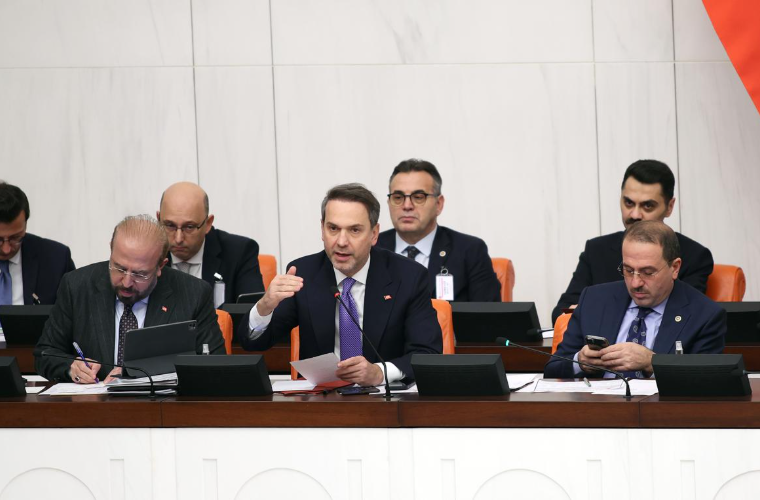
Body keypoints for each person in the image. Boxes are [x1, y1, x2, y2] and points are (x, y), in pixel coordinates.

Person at [238, 183, 442, 385]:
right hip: (322, 398)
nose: (341, 242)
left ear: (374, 234)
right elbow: (254, 343)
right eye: (333, 228)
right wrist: (264, 307)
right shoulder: (305, 273)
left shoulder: (408, 277)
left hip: (383, 398)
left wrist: (380, 372)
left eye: (354, 230)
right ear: (322, 229)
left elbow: (427, 353)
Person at [34, 215, 225, 383]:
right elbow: (45, 354)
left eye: (140, 274)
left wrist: (139, 375)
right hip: (94, 406)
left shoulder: (193, 294)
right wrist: (71, 368)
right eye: (119, 268)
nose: (126, 282)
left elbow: (214, 365)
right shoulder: (77, 286)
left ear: (161, 266)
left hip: (161, 407)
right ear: (111, 251)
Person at [545, 220, 725, 379]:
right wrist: (580, 362)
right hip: (599, 404)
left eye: (648, 272)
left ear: (675, 268)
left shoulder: (705, 315)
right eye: (628, 270)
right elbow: (553, 369)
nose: (635, 283)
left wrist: (652, 363)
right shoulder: (593, 300)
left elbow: (707, 380)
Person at [552, 159, 713, 323]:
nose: (635, 215)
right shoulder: (596, 250)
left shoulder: (695, 256)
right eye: (628, 203)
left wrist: (592, 311)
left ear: (669, 207)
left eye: (647, 206)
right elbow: (561, 313)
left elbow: (687, 317)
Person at [375, 159, 501, 302]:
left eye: (418, 197)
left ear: (439, 204)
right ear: (389, 203)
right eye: (398, 197)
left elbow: (487, 313)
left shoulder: (470, 251)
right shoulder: (371, 248)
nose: (407, 205)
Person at [157, 182, 264, 304]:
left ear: (208, 223)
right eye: (170, 225)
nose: (178, 238)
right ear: (158, 219)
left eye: (189, 227)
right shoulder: (147, 254)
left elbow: (252, 309)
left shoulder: (239, 252)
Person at [0, 182, 75, 306]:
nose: (6, 249)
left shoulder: (57, 259)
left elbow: (76, 312)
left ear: (25, 225)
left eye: (15, 238)